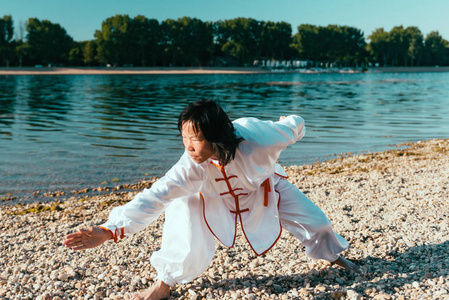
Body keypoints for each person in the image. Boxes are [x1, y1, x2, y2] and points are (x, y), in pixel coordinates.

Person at [64, 99, 359, 300]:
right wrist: (108, 230)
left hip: (264, 187)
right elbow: (154, 196)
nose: (188, 146)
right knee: (184, 204)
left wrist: (287, 125)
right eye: (184, 137)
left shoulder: (260, 137)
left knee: (317, 222)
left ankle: (332, 254)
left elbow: (295, 125)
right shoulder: (189, 167)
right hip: (213, 198)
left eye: (196, 138)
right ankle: (164, 283)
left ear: (216, 136)